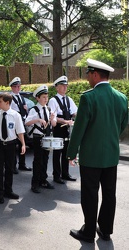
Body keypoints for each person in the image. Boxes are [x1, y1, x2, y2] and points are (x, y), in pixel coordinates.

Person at [67, 59, 128, 243]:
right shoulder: (122, 98)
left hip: (91, 157)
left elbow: (79, 129)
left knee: (90, 194)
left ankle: (88, 232)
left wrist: (71, 152)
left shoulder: (88, 97)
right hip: (111, 155)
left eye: (88, 74)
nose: (87, 79)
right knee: (110, 194)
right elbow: (122, 125)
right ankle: (106, 230)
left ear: (95, 74)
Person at [25, 85, 57, 193]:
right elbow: (27, 122)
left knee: (45, 159)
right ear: (37, 98)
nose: (46, 99)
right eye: (43, 97)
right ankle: (35, 183)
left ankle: (43, 180)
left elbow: (53, 124)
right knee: (38, 160)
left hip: (47, 137)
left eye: (47, 97)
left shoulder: (48, 109)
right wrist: (37, 119)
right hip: (38, 138)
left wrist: (52, 119)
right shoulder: (34, 109)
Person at [48, 76, 78, 184]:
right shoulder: (53, 100)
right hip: (59, 129)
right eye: (62, 86)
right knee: (57, 153)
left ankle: (65, 173)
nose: (65, 87)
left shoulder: (69, 99)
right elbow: (54, 117)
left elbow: (75, 112)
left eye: (66, 85)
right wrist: (66, 121)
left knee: (66, 152)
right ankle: (56, 175)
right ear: (57, 87)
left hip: (68, 129)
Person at [9, 77, 31, 173]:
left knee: (23, 144)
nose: (18, 88)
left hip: (23, 121)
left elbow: (25, 111)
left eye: (19, 86)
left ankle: (22, 164)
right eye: (16, 86)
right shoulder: (10, 98)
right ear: (12, 88)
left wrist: (26, 109)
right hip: (14, 122)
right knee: (14, 145)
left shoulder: (21, 97)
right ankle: (13, 166)